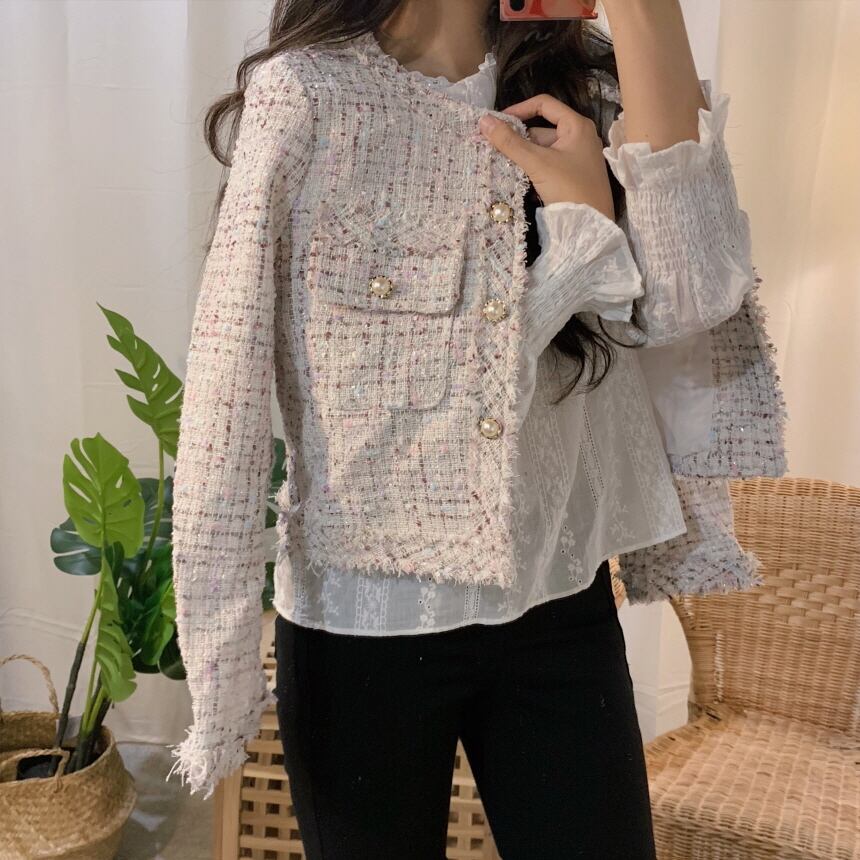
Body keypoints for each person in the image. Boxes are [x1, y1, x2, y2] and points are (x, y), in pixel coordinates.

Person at [167, 1, 788, 858]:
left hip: (560, 601)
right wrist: (580, 246)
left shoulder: (585, 75)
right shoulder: (309, 95)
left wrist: (645, 11)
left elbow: (691, 299)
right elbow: (230, 391)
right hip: (363, 623)